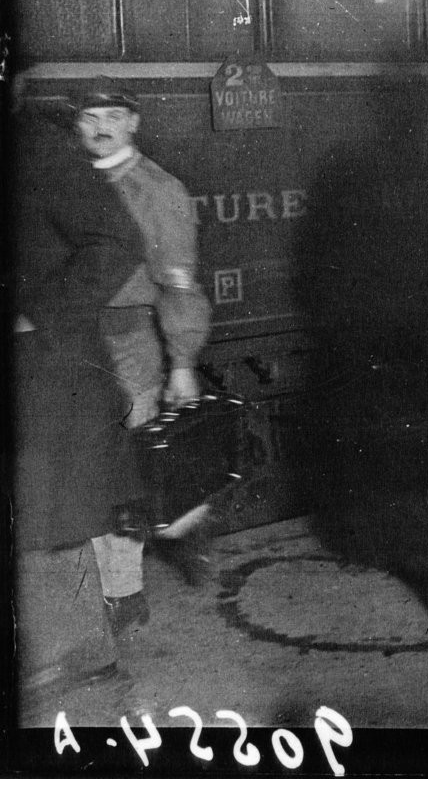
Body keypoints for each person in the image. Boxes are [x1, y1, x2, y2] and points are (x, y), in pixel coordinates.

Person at [73, 82, 216, 638]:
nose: (101, 126)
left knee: (128, 465)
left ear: (133, 123)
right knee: (91, 466)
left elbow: (178, 284)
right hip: (77, 337)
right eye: (90, 117)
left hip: (130, 336)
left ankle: (127, 593)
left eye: (113, 116)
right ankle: (120, 584)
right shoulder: (76, 183)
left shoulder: (157, 190)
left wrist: (182, 359)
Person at [13, 107, 145, 694]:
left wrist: (37, 313)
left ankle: (76, 651)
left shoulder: (36, 146)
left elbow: (118, 243)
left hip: (44, 363)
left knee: (45, 504)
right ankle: (76, 647)